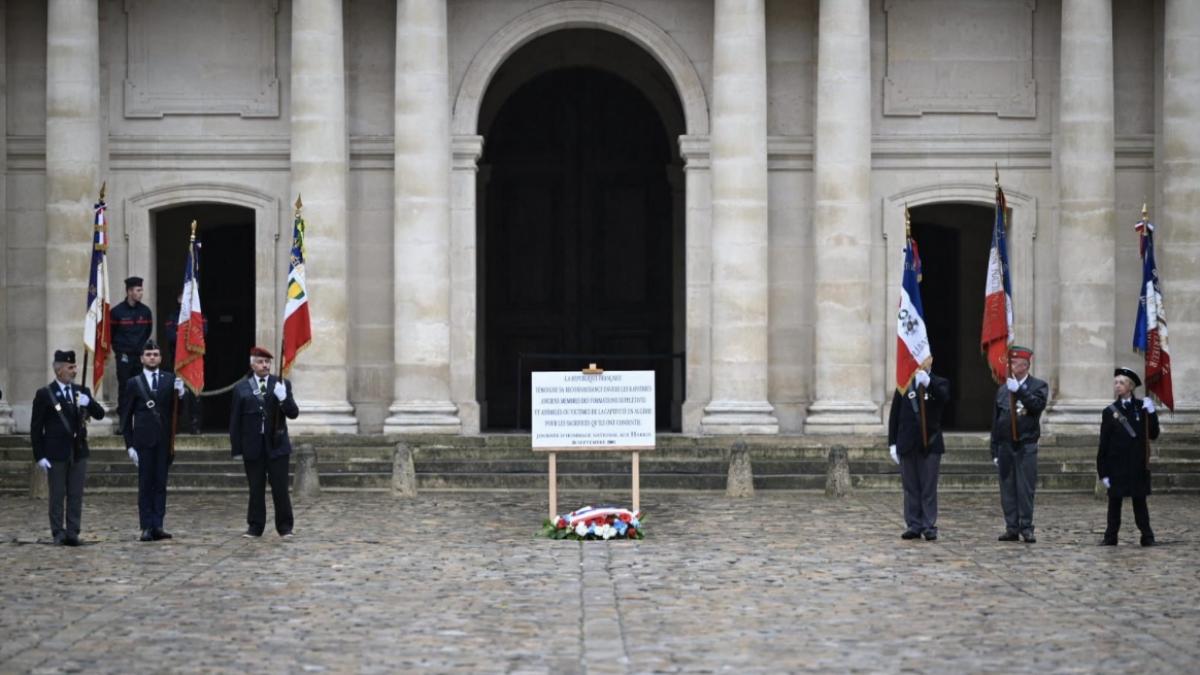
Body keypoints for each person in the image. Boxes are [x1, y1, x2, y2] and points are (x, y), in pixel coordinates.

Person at [29, 350, 105, 545]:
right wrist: (39, 455)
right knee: (57, 495)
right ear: (59, 370)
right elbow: (36, 427)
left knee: (75, 494)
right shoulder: (45, 394)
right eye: (70, 367)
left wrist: (89, 403)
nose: (74, 370)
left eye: (75, 367)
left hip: (78, 450)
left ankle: (73, 531)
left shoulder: (81, 391)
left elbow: (100, 414)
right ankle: (58, 532)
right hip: (55, 452)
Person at [229, 346, 299, 539]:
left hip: (276, 445)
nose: (265, 365)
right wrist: (237, 448)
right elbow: (235, 421)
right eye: (260, 362)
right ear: (252, 364)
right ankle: (255, 526)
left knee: (280, 489)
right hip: (253, 446)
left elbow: (293, 413)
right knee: (256, 489)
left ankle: (285, 527)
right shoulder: (241, 388)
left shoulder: (281, 384)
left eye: (267, 362)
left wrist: (283, 398)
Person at [120, 340, 185, 542]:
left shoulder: (169, 379)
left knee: (160, 484)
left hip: (163, 441)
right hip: (143, 441)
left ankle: (158, 524)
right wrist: (129, 445)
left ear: (161, 358)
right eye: (148, 354)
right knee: (145, 484)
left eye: (156, 354)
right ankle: (146, 525)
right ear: (142, 358)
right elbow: (125, 416)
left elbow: (177, 414)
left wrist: (181, 395)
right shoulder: (134, 383)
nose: (152, 358)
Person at [990, 345, 1049, 543]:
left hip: (1026, 444)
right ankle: (1011, 527)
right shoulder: (1003, 389)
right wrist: (994, 449)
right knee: (1007, 487)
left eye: (1015, 362)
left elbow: (1037, 406)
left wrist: (1021, 391)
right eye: (1010, 362)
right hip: (1006, 445)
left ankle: (1026, 526)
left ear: (1025, 365)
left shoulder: (1038, 386)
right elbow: (996, 421)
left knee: (1025, 488)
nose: (1011, 365)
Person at [1097, 367, 1160, 546]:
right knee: (1114, 504)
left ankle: (1147, 536)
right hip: (1116, 466)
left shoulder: (1142, 407)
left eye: (1121, 383)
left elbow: (1153, 434)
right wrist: (1103, 472)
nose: (1117, 386)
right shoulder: (1110, 411)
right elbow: (1104, 444)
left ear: (1130, 386)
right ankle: (1110, 537)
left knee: (1139, 503)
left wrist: (1152, 413)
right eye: (1116, 382)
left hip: (1137, 464)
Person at [888, 368, 951, 541]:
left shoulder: (939, 382)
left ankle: (928, 525)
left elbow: (944, 398)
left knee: (928, 488)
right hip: (907, 443)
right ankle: (913, 524)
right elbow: (895, 415)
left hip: (930, 444)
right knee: (911, 487)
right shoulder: (904, 385)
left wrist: (929, 383)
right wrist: (892, 443)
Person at [110, 276, 153, 430]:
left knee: (142, 388)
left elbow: (147, 332)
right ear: (129, 291)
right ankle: (124, 424)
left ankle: (142, 423)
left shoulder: (146, 311)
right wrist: (120, 350)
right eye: (138, 290)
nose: (141, 293)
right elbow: (111, 334)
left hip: (140, 357)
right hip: (124, 356)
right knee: (125, 389)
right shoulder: (116, 312)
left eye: (141, 290)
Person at [162, 290, 204, 433]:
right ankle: (176, 424)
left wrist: (183, 335)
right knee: (177, 394)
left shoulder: (199, 316)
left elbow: (203, 333)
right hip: (177, 360)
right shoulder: (173, 316)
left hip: (195, 360)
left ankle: (195, 424)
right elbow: (170, 336)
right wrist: (189, 336)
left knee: (195, 395)